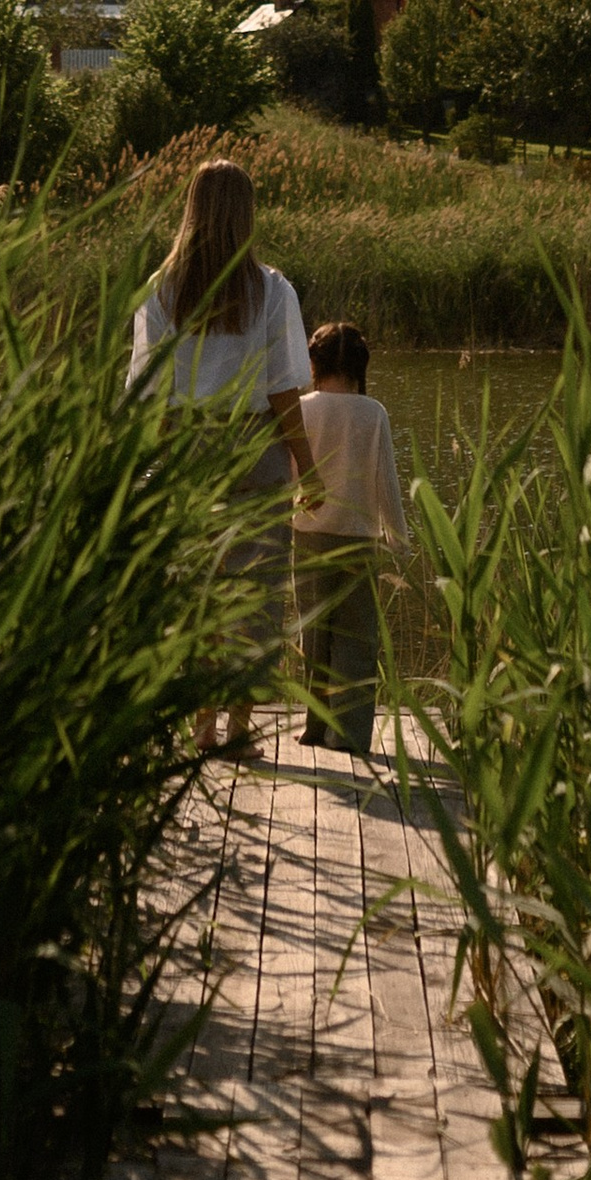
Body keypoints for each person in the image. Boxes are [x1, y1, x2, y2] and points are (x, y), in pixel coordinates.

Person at [129, 156, 313, 758]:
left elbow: (150, 392)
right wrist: (306, 466)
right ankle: (239, 728)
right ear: (246, 216)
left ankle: (200, 726)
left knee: (198, 588)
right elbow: (286, 387)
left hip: (188, 449)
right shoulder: (272, 290)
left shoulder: (164, 291)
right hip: (254, 445)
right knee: (257, 589)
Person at [292, 320, 405, 756]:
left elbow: (290, 474)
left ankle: (314, 727)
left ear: (314, 363)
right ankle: (350, 734)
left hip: (308, 534)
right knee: (357, 638)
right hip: (358, 537)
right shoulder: (372, 412)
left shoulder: (302, 408)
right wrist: (397, 538)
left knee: (314, 633)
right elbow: (386, 480)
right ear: (360, 365)